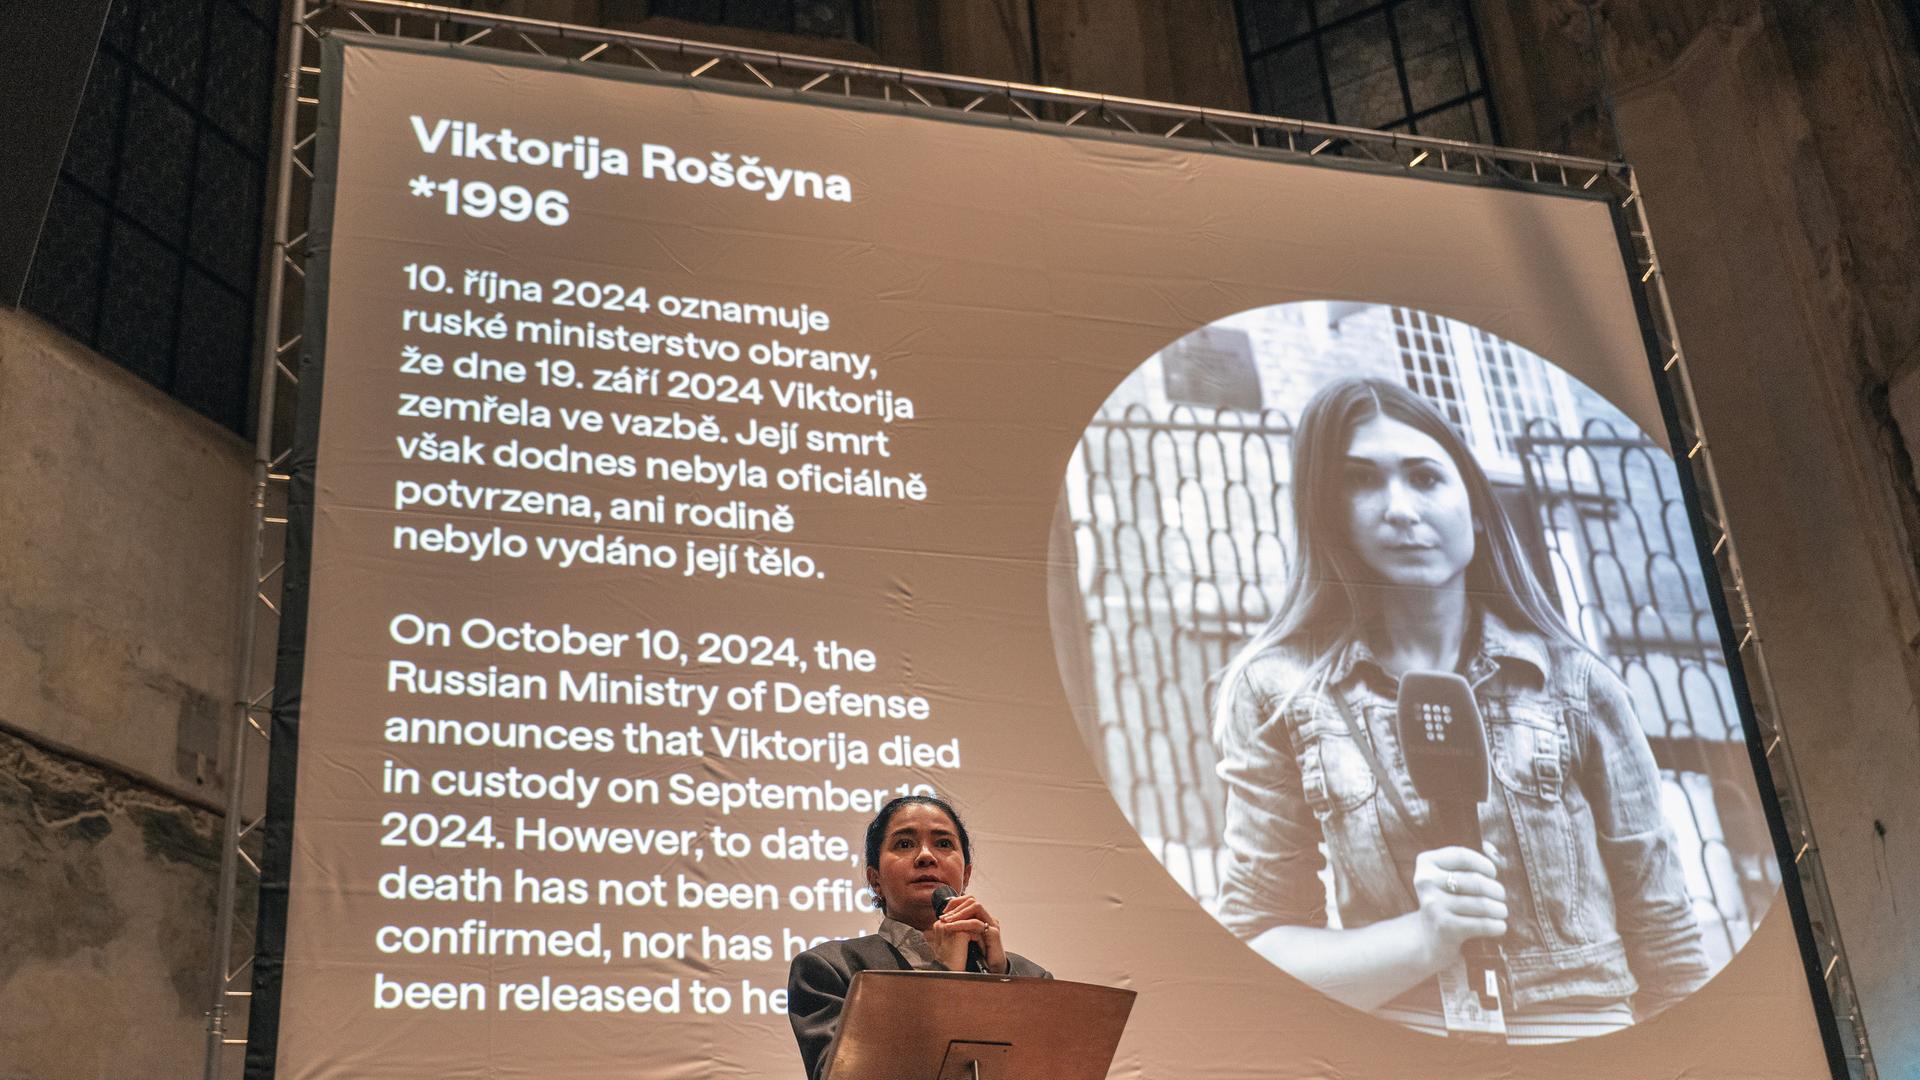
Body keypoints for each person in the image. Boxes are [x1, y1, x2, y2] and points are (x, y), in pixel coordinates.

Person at [1211, 377, 1708, 1039]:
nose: (1399, 509)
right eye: (1360, 481)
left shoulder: (1575, 682)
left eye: (1424, 477)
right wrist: (1422, 940)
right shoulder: (1280, 690)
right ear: (1328, 512)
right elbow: (1259, 944)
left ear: (1474, 506)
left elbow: (1664, 930)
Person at [786, 795, 1051, 1079]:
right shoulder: (832, 969)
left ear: (966, 875)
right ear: (875, 880)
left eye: (944, 843)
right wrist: (944, 975)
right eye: (904, 844)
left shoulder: (1032, 978)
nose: (926, 856)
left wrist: (1003, 982)